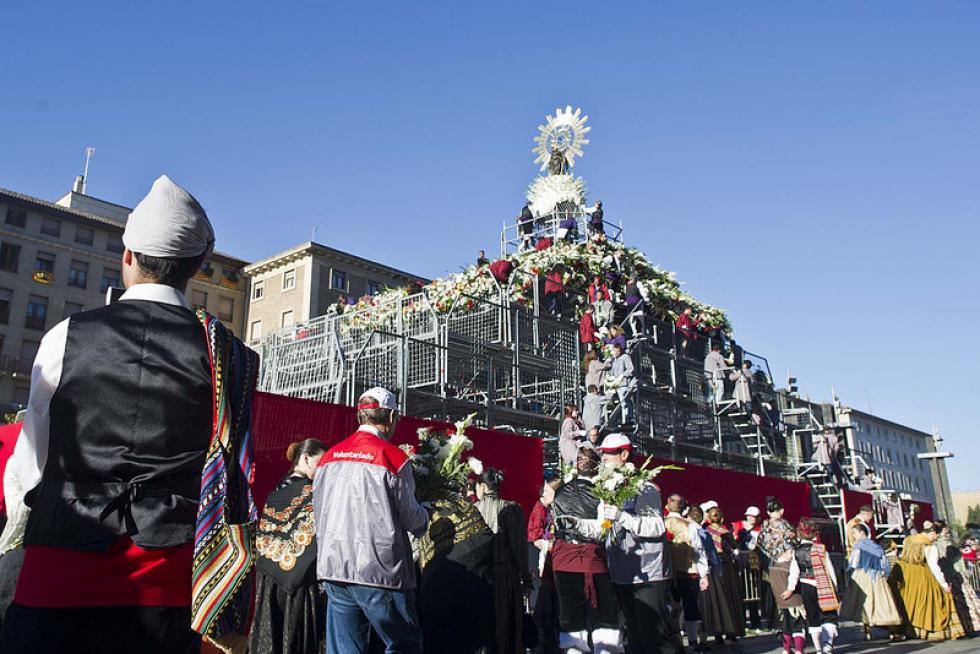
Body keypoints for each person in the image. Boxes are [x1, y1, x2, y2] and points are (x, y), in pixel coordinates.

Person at [0, 175, 258, 654]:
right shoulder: (232, 356)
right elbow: (228, 475)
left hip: (58, 569)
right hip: (168, 583)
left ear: (127, 256)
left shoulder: (64, 335)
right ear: (199, 267)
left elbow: (34, 459)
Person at [312, 386, 429, 654]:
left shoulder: (329, 457)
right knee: (403, 645)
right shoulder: (393, 458)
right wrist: (427, 512)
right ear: (390, 417)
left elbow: (319, 513)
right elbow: (414, 520)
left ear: (360, 417)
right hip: (380, 572)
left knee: (344, 649)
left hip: (335, 568)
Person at [576, 434, 684, 654]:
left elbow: (657, 527)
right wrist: (577, 525)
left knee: (653, 635)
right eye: (602, 454)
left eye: (609, 454)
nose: (603, 458)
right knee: (633, 637)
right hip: (622, 573)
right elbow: (602, 528)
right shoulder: (606, 488)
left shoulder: (644, 487)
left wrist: (623, 518)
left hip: (647, 573)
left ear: (624, 455)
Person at [250, 439, 328, 654]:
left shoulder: (275, 492)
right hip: (300, 585)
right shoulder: (313, 493)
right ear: (305, 459)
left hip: (268, 581)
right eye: (320, 464)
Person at [550, 449, 618, 654]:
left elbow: (556, 524)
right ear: (597, 467)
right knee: (604, 619)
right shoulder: (603, 493)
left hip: (563, 560)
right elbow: (602, 531)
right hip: (592, 560)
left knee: (571, 620)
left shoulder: (560, 491)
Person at [475, 468, 530, 654]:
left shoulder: (472, 511)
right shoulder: (511, 509)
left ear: (482, 487)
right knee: (507, 627)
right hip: (506, 576)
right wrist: (525, 576)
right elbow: (519, 548)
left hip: (479, 578)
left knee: (483, 627)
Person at [889, 522, 965, 641]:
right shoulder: (929, 546)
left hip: (908, 576)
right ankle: (928, 630)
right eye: (936, 534)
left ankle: (911, 629)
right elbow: (934, 567)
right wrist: (944, 585)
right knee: (929, 603)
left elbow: (903, 555)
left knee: (911, 603)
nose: (937, 537)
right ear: (932, 533)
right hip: (923, 576)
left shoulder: (909, 540)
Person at [782, 518, 839, 654]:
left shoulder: (796, 552)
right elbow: (830, 570)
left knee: (813, 617)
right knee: (828, 615)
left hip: (806, 586)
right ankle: (827, 645)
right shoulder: (822, 550)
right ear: (815, 533)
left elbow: (794, 573)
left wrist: (790, 589)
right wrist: (835, 588)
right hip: (823, 585)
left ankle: (818, 649)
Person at [838, 522, 902, 641]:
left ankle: (867, 630)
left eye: (854, 533)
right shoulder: (877, 547)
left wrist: (851, 572)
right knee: (882, 602)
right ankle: (892, 630)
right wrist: (884, 576)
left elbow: (854, 563)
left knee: (864, 602)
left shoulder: (858, 546)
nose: (853, 536)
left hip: (862, 575)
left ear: (862, 533)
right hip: (877, 576)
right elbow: (885, 565)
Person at [665, 494, 711, 652]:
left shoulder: (659, 523)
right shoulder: (690, 526)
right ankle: (692, 642)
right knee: (690, 607)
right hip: (687, 572)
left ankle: (675, 640)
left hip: (666, 574)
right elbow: (699, 551)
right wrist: (704, 574)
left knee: (671, 608)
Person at [528, 476, 563, 654]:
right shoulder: (540, 508)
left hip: (558, 560)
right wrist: (549, 544)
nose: (544, 494)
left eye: (549, 491)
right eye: (544, 490)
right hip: (544, 559)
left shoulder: (560, 508)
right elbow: (534, 536)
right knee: (544, 606)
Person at [701, 506, 745, 645]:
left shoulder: (706, 532)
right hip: (726, 568)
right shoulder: (726, 532)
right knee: (730, 598)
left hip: (713, 568)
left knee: (716, 601)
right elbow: (734, 549)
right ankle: (731, 632)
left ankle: (718, 633)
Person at [758, 497, 798, 635]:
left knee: (776, 595)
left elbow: (761, 544)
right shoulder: (784, 524)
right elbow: (793, 540)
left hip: (771, 563)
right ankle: (791, 625)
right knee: (789, 593)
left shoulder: (765, 525)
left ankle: (779, 624)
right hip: (785, 562)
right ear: (780, 510)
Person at [934, 520, 980, 634]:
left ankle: (967, 625)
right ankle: (968, 625)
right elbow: (958, 562)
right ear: (943, 530)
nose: (948, 533)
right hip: (954, 575)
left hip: (952, 576)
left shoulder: (942, 544)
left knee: (961, 600)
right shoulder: (943, 545)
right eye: (946, 530)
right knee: (962, 600)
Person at [732, 506, 764, 631]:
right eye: (749, 515)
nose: (751, 518)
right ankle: (742, 623)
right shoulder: (736, 525)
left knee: (753, 591)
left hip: (752, 561)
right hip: (739, 561)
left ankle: (756, 622)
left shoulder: (759, 529)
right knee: (740, 591)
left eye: (754, 516)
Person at [608, 344, 635, 427]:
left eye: (615, 351)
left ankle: (628, 418)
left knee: (625, 401)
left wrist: (622, 375)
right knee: (618, 402)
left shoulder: (625, 357)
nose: (613, 353)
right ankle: (618, 419)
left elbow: (631, 368)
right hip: (616, 384)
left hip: (623, 384)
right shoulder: (614, 360)